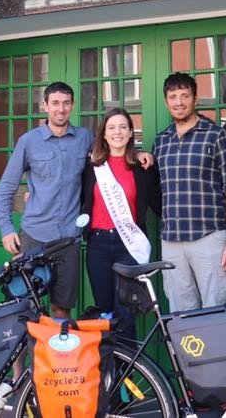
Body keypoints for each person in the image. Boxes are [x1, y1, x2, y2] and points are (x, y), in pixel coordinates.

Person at [0, 82, 93, 319]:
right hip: (34, 236)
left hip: (68, 239)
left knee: (62, 308)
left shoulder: (85, 138)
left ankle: (56, 357)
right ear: (45, 106)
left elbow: (112, 159)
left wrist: (140, 154)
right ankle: (25, 358)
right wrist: (6, 228)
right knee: (26, 308)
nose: (61, 109)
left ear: (73, 106)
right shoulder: (29, 141)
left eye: (66, 103)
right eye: (55, 103)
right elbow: (6, 187)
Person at [152, 71, 226, 311]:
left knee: (216, 310)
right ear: (166, 101)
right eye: (173, 96)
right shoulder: (161, 141)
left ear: (195, 99)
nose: (179, 102)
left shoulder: (216, 136)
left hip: (209, 237)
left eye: (185, 95)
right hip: (171, 241)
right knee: (180, 313)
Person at [79, 107, 159, 334]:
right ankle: (107, 369)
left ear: (131, 132)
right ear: (103, 134)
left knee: (126, 313)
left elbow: (160, 204)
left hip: (128, 245)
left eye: (123, 127)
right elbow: (74, 197)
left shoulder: (142, 167)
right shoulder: (92, 167)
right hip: (98, 245)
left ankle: (128, 370)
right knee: (104, 314)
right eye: (111, 128)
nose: (117, 132)